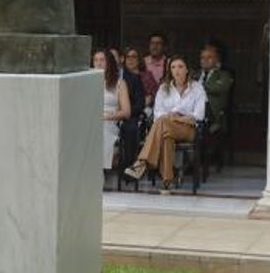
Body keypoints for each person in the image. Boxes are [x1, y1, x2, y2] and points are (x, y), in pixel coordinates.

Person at [124, 56, 207, 192]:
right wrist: (170, 117)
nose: (177, 70)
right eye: (173, 67)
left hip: (188, 129)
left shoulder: (197, 89)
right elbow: (157, 114)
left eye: (180, 67)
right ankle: (168, 180)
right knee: (166, 136)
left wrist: (176, 118)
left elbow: (199, 116)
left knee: (163, 123)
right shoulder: (163, 89)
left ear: (187, 70)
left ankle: (142, 162)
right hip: (166, 127)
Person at [93, 49, 130, 173]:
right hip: (90, 119)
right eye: (96, 60)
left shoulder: (120, 84)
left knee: (101, 128)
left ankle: (98, 171)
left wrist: (106, 117)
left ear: (109, 62)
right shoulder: (87, 82)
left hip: (109, 121)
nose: (98, 63)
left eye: (102, 60)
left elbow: (126, 112)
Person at [197, 42, 235, 136]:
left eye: (209, 57)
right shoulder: (195, 76)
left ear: (216, 60)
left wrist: (199, 86)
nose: (205, 60)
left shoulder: (224, 75)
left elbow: (220, 88)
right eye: (202, 58)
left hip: (214, 118)